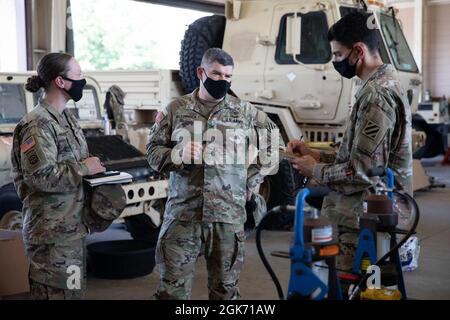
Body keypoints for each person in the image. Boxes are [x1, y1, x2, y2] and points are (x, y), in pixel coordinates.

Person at [147, 48, 279, 299]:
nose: (222, 81)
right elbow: (152, 153)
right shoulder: (175, 109)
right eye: (216, 74)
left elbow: (275, 144)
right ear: (201, 72)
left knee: (225, 291)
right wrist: (178, 155)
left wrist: (252, 179)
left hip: (227, 217)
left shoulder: (246, 112)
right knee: (171, 290)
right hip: (183, 215)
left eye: (228, 76)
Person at [287, 11, 412, 270]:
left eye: (337, 55)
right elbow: (363, 158)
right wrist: (317, 155)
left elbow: (363, 172)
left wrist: (316, 170)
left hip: (364, 220)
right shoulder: (382, 85)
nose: (335, 62)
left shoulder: (376, 95)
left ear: (358, 50)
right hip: (365, 215)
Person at [11, 52, 105, 299]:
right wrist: (86, 168)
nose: (83, 81)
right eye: (79, 75)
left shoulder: (66, 119)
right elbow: (40, 177)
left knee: (71, 294)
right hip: (51, 235)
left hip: (71, 229)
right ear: (61, 82)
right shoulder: (38, 124)